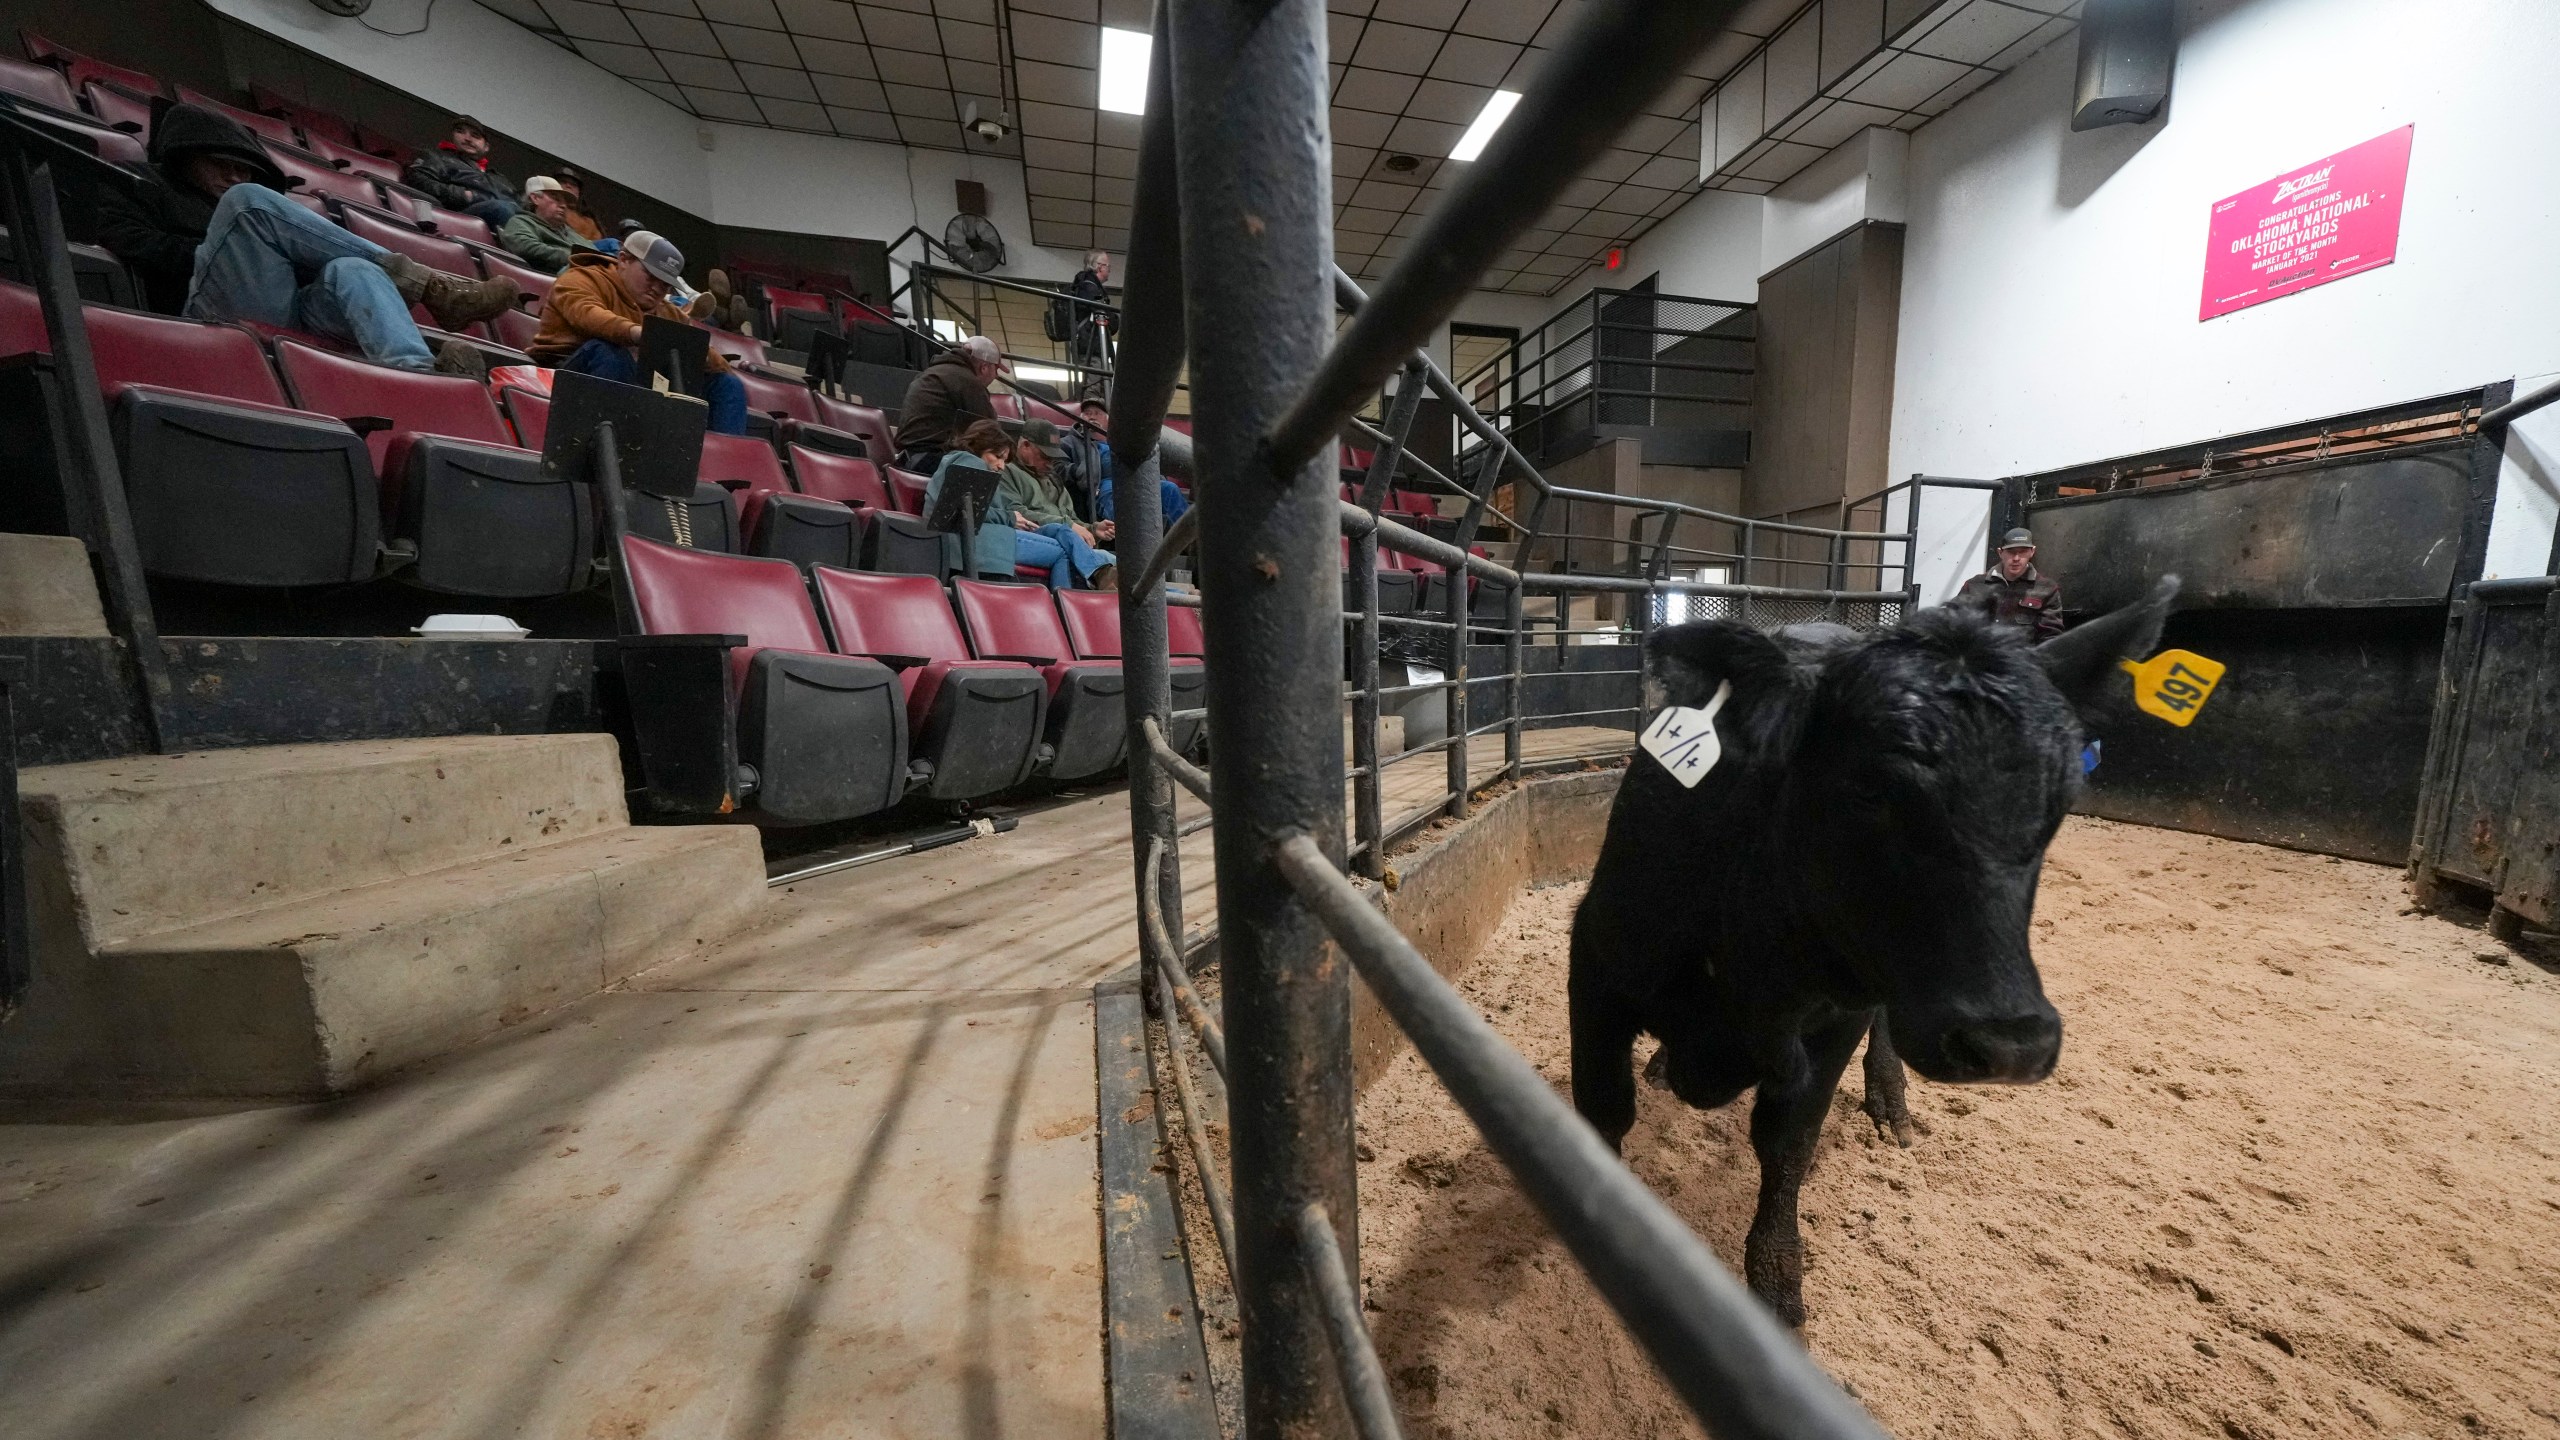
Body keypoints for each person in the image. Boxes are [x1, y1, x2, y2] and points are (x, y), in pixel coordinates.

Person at [91, 103, 515, 376]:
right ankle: (432, 287)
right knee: (247, 203)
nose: (236, 175)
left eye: (245, 169)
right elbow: (128, 242)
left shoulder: (245, 201)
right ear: (186, 159)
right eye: (222, 164)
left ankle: (419, 373)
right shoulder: (143, 183)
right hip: (202, 306)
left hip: (285, 304)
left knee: (353, 267)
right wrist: (226, 251)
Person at [526, 231, 749, 435]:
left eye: (664, 285)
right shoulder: (581, 278)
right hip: (564, 371)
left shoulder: (665, 311)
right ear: (623, 260)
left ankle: (720, 471)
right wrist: (639, 333)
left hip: (635, 382)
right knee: (609, 353)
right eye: (650, 276)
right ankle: (603, 450)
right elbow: (588, 314)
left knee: (728, 386)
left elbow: (697, 347)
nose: (656, 288)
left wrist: (712, 361)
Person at [1000, 418, 1115, 589]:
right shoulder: (1006, 471)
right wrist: (1068, 525)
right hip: (1035, 538)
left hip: (1066, 540)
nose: (1050, 463)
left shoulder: (1053, 479)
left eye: (1053, 458)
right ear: (1025, 445)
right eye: (1045, 456)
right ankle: (1096, 574)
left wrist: (1093, 529)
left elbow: (1072, 520)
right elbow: (1016, 514)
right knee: (1102, 560)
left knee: (1120, 562)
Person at [1077, 397, 1187, 528]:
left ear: (1108, 419)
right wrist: (1080, 471)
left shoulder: (1124, 439)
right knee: (1110, 495)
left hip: (1136, 475)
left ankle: (1188, 541)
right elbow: (1062, 467)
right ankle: (1136, 538)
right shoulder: (1072, 441)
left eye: (1097, 413)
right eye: (1088, 414)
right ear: (1080, 418)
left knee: (1170, 488)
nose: (1092, 417)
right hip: (1105, 482)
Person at [895, 336, 1003, 470]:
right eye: (996, 369)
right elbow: (991, 431)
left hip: (909, 458)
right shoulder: (967, 382)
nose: (996, 376)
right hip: (930, 460)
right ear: (984, 367)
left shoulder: (935, 372)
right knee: (996, 468)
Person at [402, 115, 519, 228]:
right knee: (502, 208)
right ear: (453, 136)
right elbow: (417, 179)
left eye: (475, 135)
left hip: (507, 219)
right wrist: (463, 195)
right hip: (460, 216)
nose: (467, 138)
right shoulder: (438, 157)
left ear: (486, 146)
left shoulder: (499, 178)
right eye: (460, 131)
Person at [1956, 528, 2064, 639]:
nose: (2016, 558)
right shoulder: (1975, 585)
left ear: (2032, 552)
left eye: (2022, 552)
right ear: (2000, 552)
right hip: (1980, 655)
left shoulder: (2046, 589)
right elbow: (1953, 623)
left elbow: (2051, 637)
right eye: (2011, 552)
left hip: (2022, 655)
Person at [496, 176, 596, 273]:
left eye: (565, 202)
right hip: (556, 278)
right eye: (556, 199)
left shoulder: (569, 231)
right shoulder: (521, 222)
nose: (563, 205)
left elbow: (595, 253)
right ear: (535, 198)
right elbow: (524, 246)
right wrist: (572, 257)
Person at [1066, 249, 1113, 370]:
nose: (1109, 270)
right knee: (1095, 385)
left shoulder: (1087, 286)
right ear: (1099, 267)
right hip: (1090, 347)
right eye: (1108, 266)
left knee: (1100, 383)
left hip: (1091, 346)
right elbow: (1100, 308)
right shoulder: (1089, 287)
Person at [552, 166, 604, 242]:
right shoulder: (546, 207)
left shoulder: (589, 222)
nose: (568, 186)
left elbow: (598, 245)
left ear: (579, 192)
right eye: (563, 181)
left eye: (573, 184)